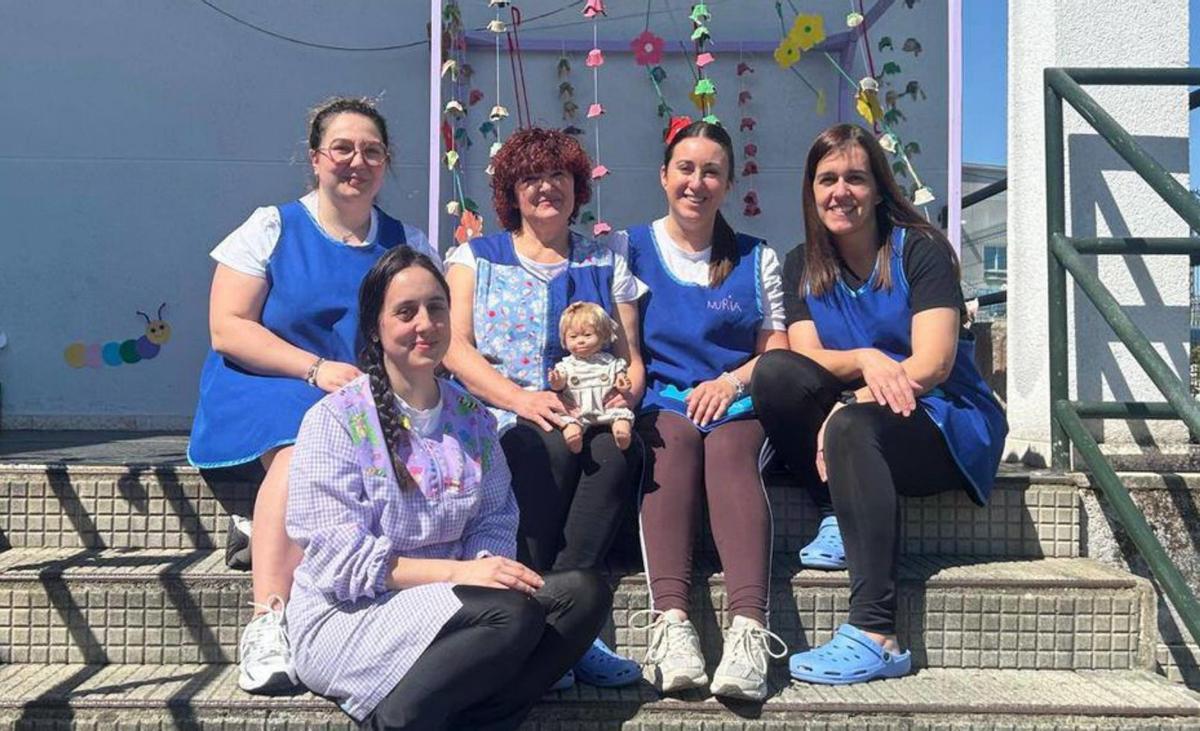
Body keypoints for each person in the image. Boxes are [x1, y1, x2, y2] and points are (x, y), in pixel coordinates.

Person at [285, 247, 610, 729]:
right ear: (375, 327)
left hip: (461, 607)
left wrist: (480, 568)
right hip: (354, 615)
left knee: (583, 596)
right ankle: (396, 720)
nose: (426, 323)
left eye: (437, 308)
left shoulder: (472, 418)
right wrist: (457, 575)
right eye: (405, 311)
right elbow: (339, 563)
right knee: (511, 616)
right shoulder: (336, 420)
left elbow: (494, 519)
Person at [186, 97, 438, 693]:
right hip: (272, 385)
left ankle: (272, 534)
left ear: (386, 162)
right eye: (343, 149)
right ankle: (269, 620)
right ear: (316, 158)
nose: (357, 162)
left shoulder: (409, 243)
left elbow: (432, 332)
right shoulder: (270, 226)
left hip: (361, 399)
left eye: (371, 151)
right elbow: (229, 326)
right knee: (305, 451)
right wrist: (314, 368)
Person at [751, 123, 1007, 685]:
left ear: (879, 187)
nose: (840, 191)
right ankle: (840, 512)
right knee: (774, 375)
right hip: (860, 419)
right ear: (811, 191)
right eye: (827, 179)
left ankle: (877, 634)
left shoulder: (919, 248)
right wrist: (866, 359)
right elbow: (807, 357)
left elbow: (934, 361)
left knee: (850, 428)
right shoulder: (802, 263)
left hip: (942, 418)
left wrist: (854, 402)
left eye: (855, 178)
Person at [443, 127, 644, 688]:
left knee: (616, 452)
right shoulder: (474, 258)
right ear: (512, 192)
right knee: (542, 443)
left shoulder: (608, 259)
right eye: (530, 178)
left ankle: (567, 623)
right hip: (502, 411)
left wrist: (621, 395)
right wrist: (520, 400)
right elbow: (455, 347)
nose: (546, 187)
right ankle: (541, 614)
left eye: (557, 175)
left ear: (576, 186)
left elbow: (632, 357)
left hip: (590, 406)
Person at [617, 119, 788, 702]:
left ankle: (748, 630)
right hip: (665, 398)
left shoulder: (756, 257)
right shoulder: (630, 249)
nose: (697, 181)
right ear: (664, 176)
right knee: (672, 445)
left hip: (739, 399)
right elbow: (625, 345)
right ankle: (672, 623)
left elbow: (776, 353)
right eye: (685, 168)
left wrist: (730, 380)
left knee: (730, 453)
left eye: (711, 170)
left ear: (728, 182)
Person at [548, 301, 635, 452]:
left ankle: (622, 434)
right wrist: (556, 380)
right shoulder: (567, 364)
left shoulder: (609, 361)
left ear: (602, 335)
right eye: (573, 337)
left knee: (622, 416)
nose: (580, 341)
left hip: (606, 407)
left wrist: (623, 384)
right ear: (564, 339)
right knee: (568, 421)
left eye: (587, 335)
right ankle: (573, 438)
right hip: (578, 409)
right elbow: (559, 385)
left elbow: (621, 379)